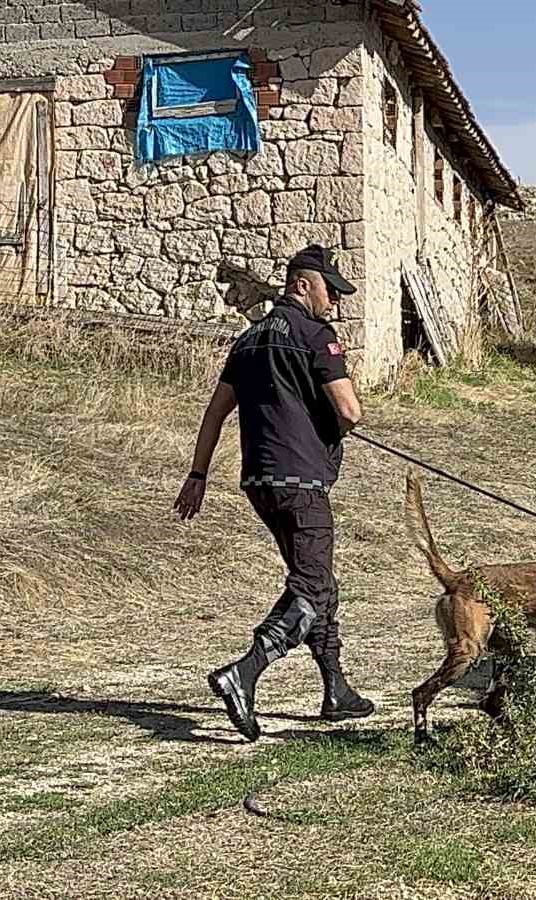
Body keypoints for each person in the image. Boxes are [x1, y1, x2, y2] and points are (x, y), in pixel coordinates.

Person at [174, 244, 375, 741]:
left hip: (259, 482)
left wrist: (197, 475)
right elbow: (349, 412)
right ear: (303, 284)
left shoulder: (247, 341)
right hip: (303, 480)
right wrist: (337, 419)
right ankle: (244, 673)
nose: (334, 303)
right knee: (310, 586)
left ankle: (336, 690)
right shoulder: (315, 334)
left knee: (318, 581)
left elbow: (215, 412)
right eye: (331, 291)